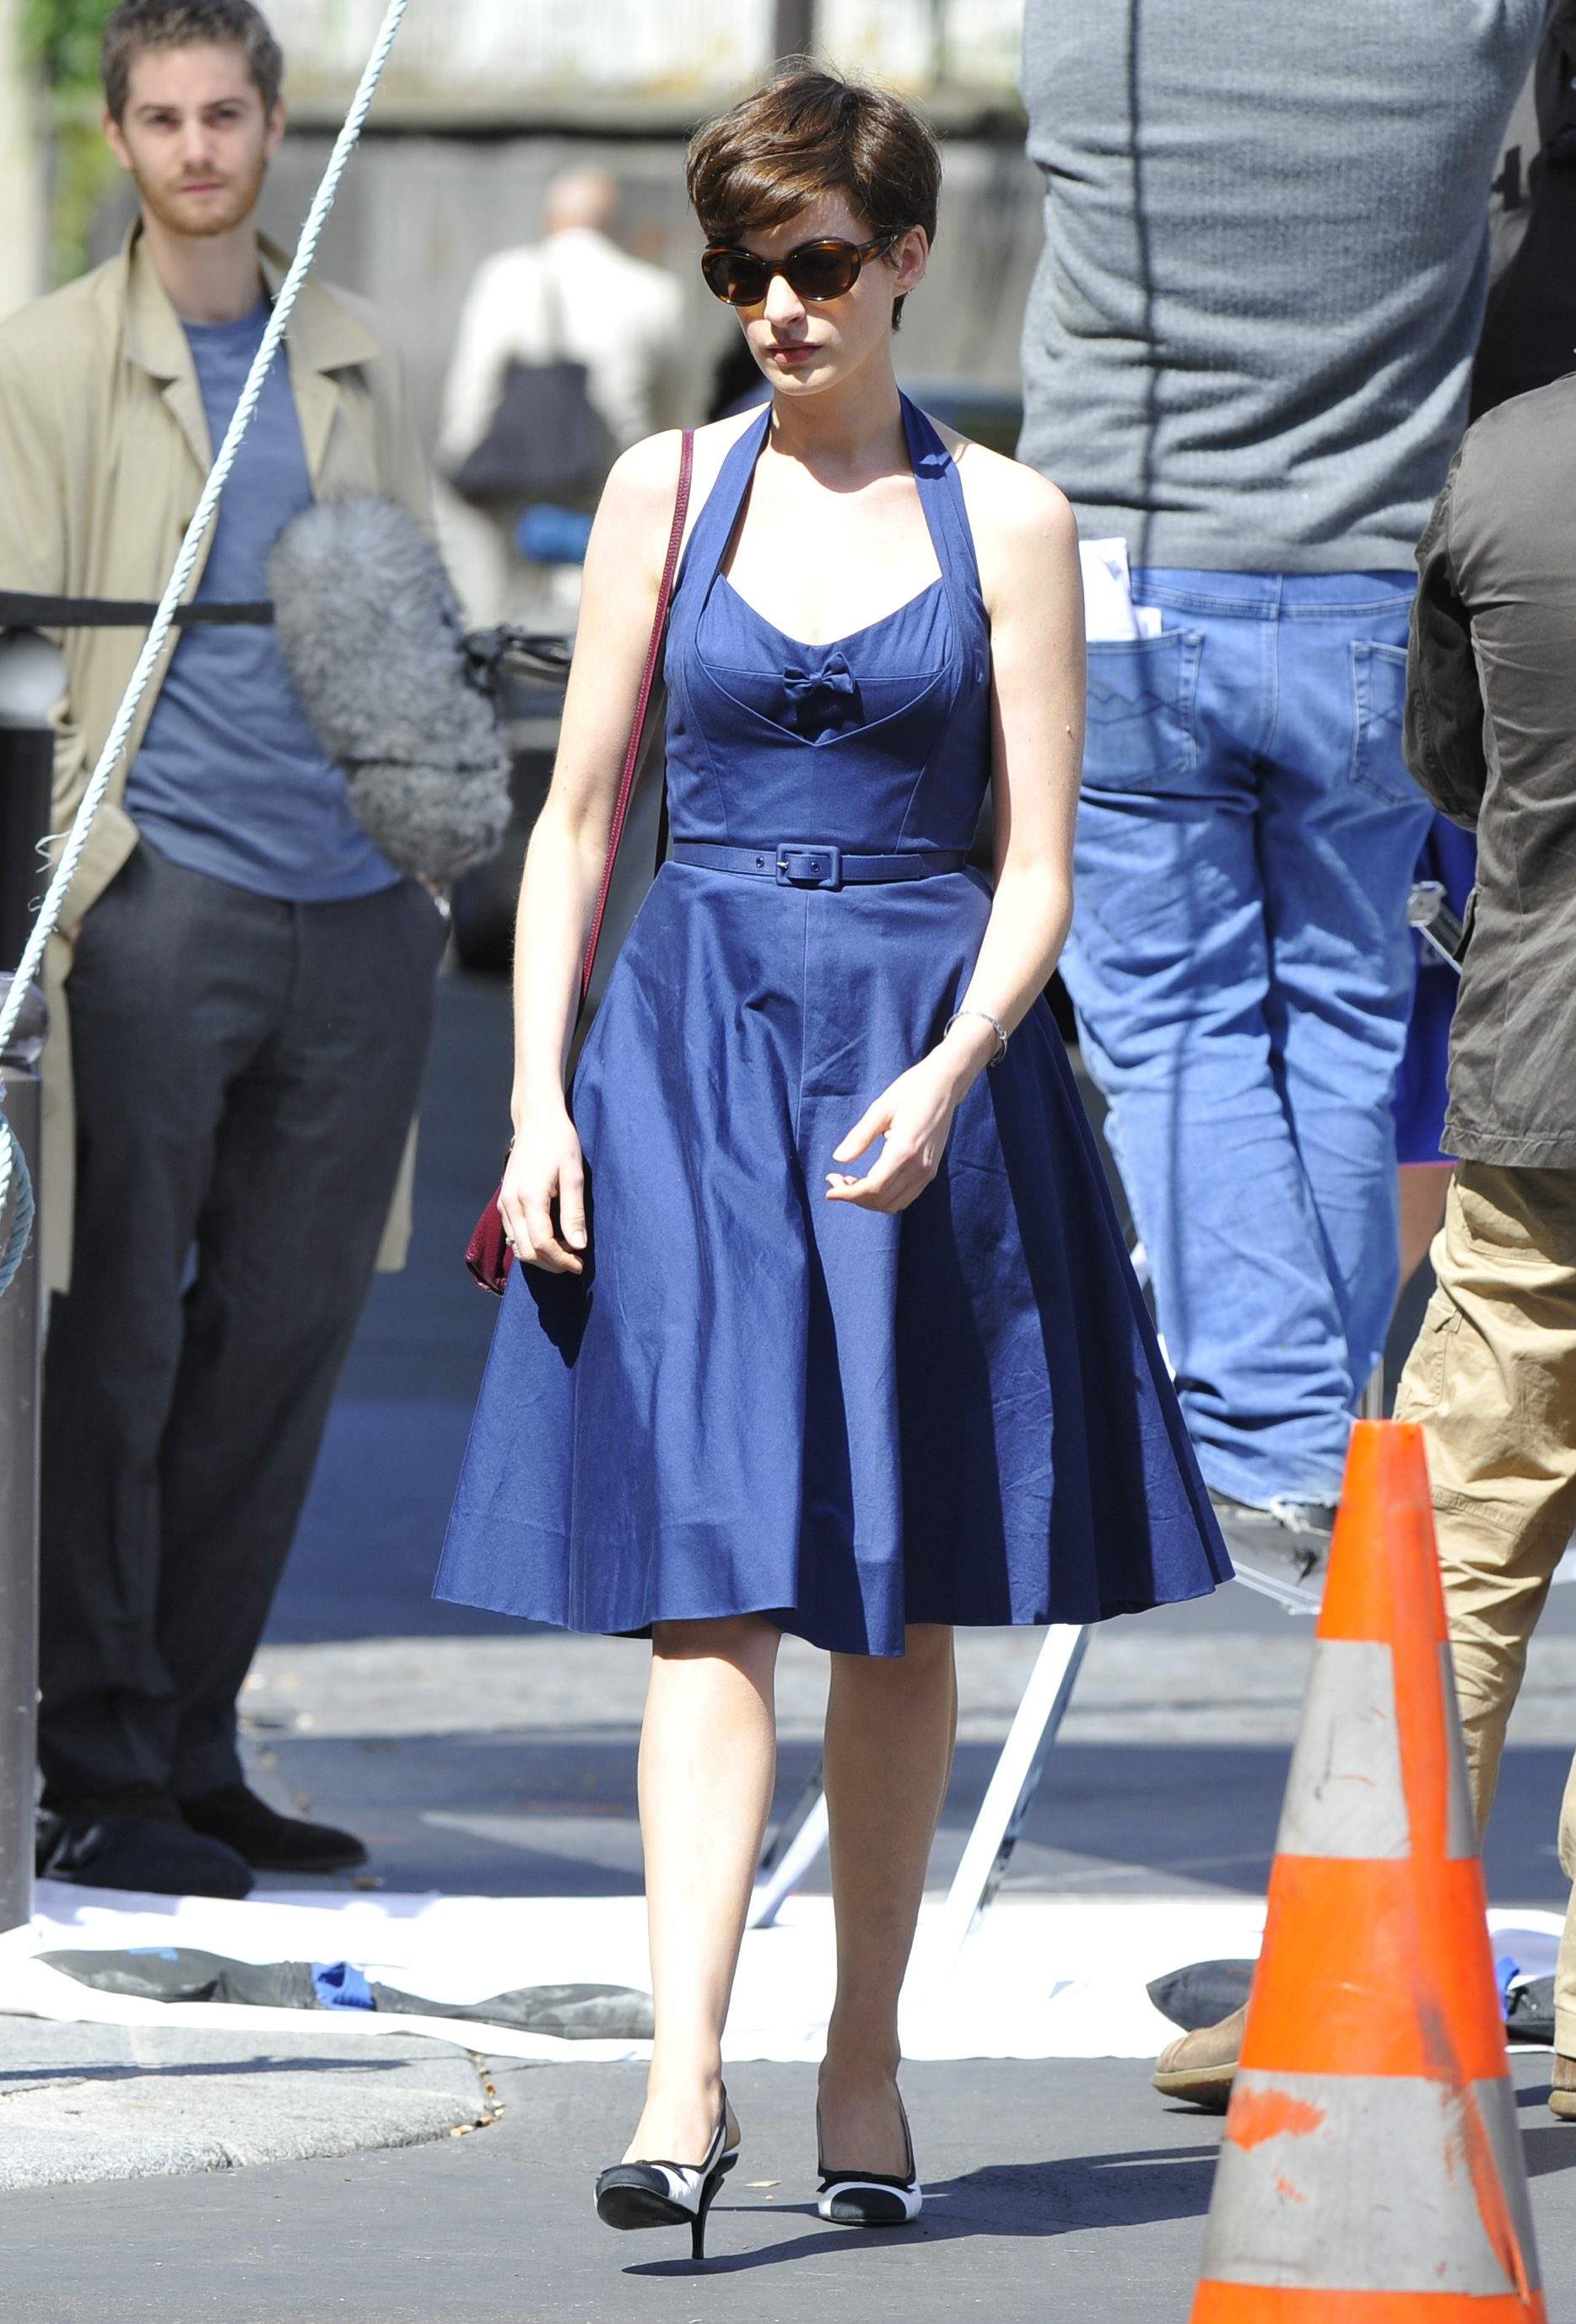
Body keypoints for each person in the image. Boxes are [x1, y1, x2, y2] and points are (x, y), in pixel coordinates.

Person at [434, 64, 1229, 2256]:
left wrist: (966, 1061)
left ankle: (862, 2051)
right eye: (736, 271)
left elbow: (1044, 867)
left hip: (915, 1064)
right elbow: (580, 819)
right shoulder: (657, 491)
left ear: (895, 259)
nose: (772, 306)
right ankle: (682, 2073)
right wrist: (536, 1100)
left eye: (808, 265)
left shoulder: (1012, 525)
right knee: (709, 1593)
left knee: (890, 1600)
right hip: (682, 1060)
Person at [0, 0, 447, 1899]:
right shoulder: (43, 361)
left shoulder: (348, 349)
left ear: (276, 129)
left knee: (282, 1340)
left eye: (227, 114)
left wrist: (429, 864)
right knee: (111, 1344)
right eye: (163, 119)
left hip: (352, 909)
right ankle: (94, 1759)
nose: (197, 148)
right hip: (154, 893)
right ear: (122, 140)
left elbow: (401, 616)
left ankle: (196, 1737)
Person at [1017, 1, 1550, 1580]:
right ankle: (1312, 1440)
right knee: (1338, 1016)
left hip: (1126, 572)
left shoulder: (1097, 27)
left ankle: (1266, 1441)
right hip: (1364, 591)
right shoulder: (1462, 32)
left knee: (1174, 1028)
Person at [1391, 364, 1576, 2118]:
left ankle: (1392, 1975)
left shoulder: (1504, 465)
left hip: (1540, 1074)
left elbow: (1444, 760)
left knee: (1460, 1554)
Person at [434, 168, 684, 629]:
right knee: (610, 620)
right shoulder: (656, 293)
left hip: (513, 481)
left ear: (551, 218)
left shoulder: (506, 276)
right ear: (613, 223)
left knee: (502, 620)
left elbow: (474, 384)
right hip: (611, 482)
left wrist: (462, 463)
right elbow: (671, 409)